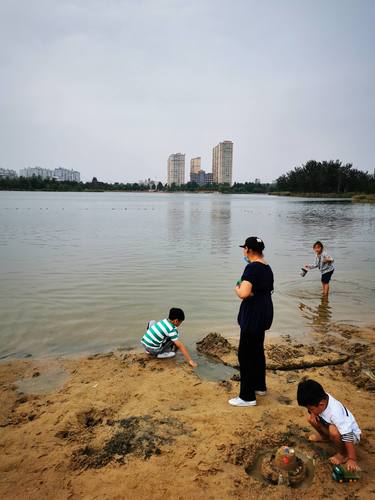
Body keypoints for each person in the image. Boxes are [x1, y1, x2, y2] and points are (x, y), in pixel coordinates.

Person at [229, 236, 274, 407]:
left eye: (244, 249)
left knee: (245, 355)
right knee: (257, 351)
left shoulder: (252, 268)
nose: (243, 252)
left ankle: (247, 397)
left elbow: (244, 293)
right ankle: (259, 386)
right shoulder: (267, 267)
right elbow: (262, 291)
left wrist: (237, 287)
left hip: (253, 315)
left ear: (248, 249)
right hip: (264, 312)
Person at [297, 378, 361, 472]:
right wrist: (313, 413)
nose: (309, 411)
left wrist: (352, 459)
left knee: (333, 430)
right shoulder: (320, 397)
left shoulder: (336, 412)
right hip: (330, 424)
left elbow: (347, 434)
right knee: (311, 419)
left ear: (321, 404)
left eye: (310, 408)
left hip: (351, 435)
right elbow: (314, 409)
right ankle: (324, 437)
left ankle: (342, 454)